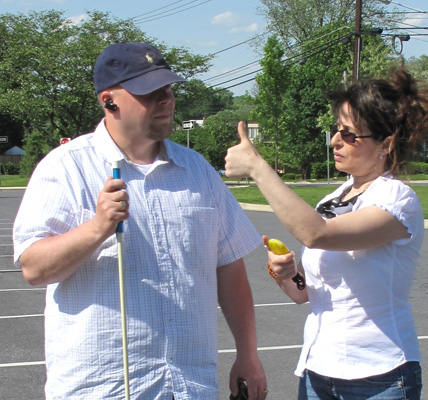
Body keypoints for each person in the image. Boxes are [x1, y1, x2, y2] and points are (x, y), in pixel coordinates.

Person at [13, 42, 267, 400]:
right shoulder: (65, 167)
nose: (165, 99)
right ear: (109, 101)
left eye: (168, 89)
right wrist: (98, 226)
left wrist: (248, 355)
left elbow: (229, 268)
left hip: (189, 383)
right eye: (150, 92)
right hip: (103, 388)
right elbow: (34, 268)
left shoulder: (197, 171)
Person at [225, 68, 428, 399]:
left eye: (350, 135)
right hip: (319, 372)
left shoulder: (396, 199)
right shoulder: (334, 198)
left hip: (380, 378)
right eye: (337, 130)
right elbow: (304, 293)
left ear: (386, 143)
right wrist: (287, 274)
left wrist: (258, 168)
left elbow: (315, 234)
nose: (335, 140)